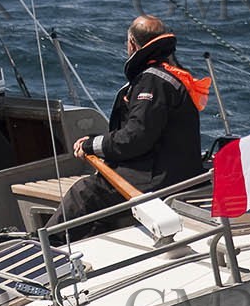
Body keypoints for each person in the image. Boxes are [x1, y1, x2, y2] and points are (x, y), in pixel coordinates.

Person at [48, 15, 211, 237]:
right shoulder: (168, 75)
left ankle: (47, 245)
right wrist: (96, 142)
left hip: (160, 178)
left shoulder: (151, 81)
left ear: (132, 43)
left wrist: (90, 145)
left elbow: (135, 138)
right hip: (176, 168)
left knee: (85, 192)